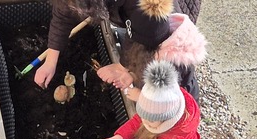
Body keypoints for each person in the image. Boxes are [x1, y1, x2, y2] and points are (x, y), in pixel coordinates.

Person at [35, 0, 207, 101]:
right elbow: (64, 11)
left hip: (165, 30)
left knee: (174, 86)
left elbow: (149, 38)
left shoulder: (149, 13)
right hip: (140, 20)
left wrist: (124, 68)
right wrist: (50, 60)